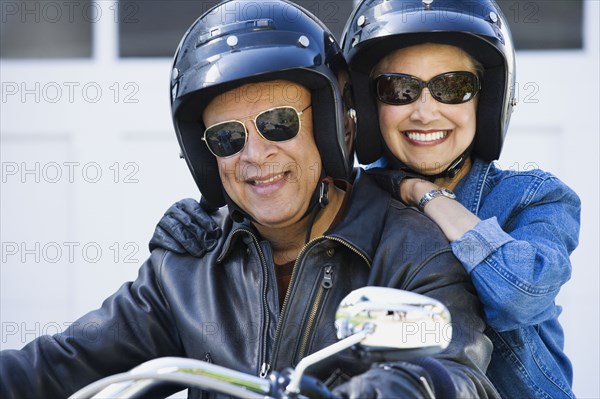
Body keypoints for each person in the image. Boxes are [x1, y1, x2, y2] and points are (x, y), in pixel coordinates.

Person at [0, 1, 500, 398]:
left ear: (329, 129)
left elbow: (457, 373)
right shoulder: (190, 269)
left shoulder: (411, 248)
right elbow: (62, 364)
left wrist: (391, 389)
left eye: (278, 124)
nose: (255, 156)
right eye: (227, 138)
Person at [341, 0, 581, 398]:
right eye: (399, 90)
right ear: (370, 105)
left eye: (452, 87)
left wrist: (427, 196)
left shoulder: (534, 199)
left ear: (484, 102)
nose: (424, 111)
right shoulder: (347, 203)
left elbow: (519, 296)